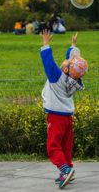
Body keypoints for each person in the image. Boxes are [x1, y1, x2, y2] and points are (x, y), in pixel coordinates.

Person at [40, 31, 88, 189]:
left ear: (67, 70)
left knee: (53, 145)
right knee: (66, 144)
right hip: (67, 116)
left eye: (67, 62)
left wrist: (46, 44)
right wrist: (73, 46)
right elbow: (73, 60)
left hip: (55, 117)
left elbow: (49, 63)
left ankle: (65, 170)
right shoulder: (73, 80)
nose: (66, 61)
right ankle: (67, 169)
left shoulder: (56, 77)